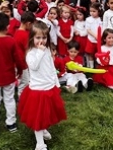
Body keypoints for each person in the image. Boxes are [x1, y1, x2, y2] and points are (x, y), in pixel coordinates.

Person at [18, 20, 68, 149]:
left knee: (47, 113)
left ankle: (44, 129)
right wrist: (40, 51)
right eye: (38, 37)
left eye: (44, 37)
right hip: (37, 90)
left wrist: (56, 83)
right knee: (38, 118)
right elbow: (33, 66)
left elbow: (51, 67)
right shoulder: (31, 53)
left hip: (49, 87)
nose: (41, 40)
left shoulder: (47, 50)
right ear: (32, 38)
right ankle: (40, 144)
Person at [15, 11, 36, 97]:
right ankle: (21, 99)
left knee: (23, 81)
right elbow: (27, 51)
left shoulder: (17, 32)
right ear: (28, 23)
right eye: (32, 25)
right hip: (22, 63)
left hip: (17, 61)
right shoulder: (24, 35)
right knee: (25, 82)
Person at [84, 3, 102, 69]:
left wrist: (100, 36)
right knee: (90, 53)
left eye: (94, 11)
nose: (92, 13)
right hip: (91, 39)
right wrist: (95, 35)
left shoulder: (101, 19)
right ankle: (91, 67)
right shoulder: (88, 19)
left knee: (98, 54)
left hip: (99, 41)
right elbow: (88, 29)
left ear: (98, 11)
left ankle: (98, 66)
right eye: (91, 11)